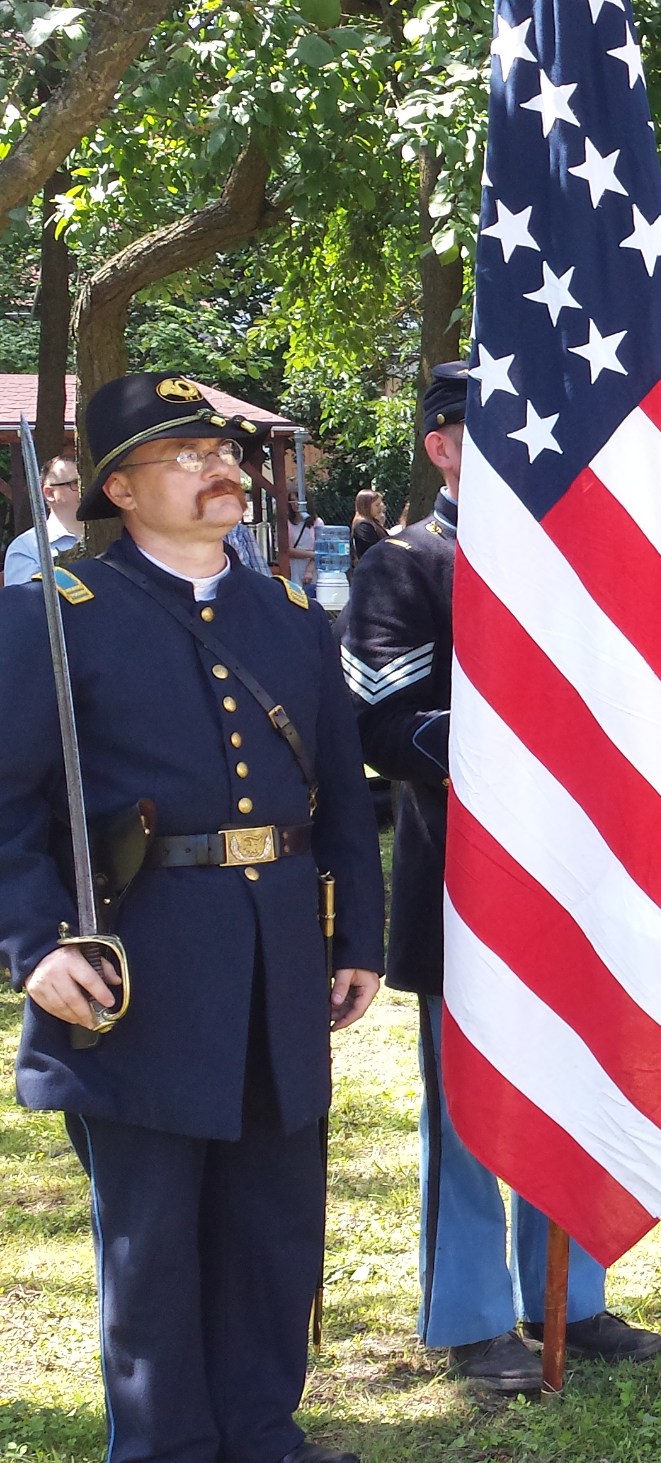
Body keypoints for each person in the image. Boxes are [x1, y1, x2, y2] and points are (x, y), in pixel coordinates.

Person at [1, 372, 386, 1463]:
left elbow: (344, 799)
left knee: (273, 1218)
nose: (223, 467)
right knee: (156, 1233)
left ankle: (263, 1430)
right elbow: (6, 804)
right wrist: (33, 946)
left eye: (227, 449)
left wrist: (355, 935)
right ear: (118, 485)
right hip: (141, 959)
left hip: (275, 959)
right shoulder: (54, 617)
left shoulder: (289, 614)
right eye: (184, 453)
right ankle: (167, 1446)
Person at [341, 361, 661, 1390]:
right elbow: (382, 726)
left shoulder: (579, 555)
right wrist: (521, 729)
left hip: (580, 872)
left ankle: (571, 1295)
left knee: (574, 1080)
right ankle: (471, 1314)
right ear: (442, 445)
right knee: (473, 1100)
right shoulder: (405, 563)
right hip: (465, 878)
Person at [4, 452, 83, 582]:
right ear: (50, 493)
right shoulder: (26, 548)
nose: (84, 488)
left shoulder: (115, 536)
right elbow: (26, 601)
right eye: (75, 483)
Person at [349, 489, 389, 563]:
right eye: (377, 505)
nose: (381, 507)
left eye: (380, 503)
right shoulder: (362, 526)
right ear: (366, 507)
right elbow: (374, 549)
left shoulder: (373, 522)